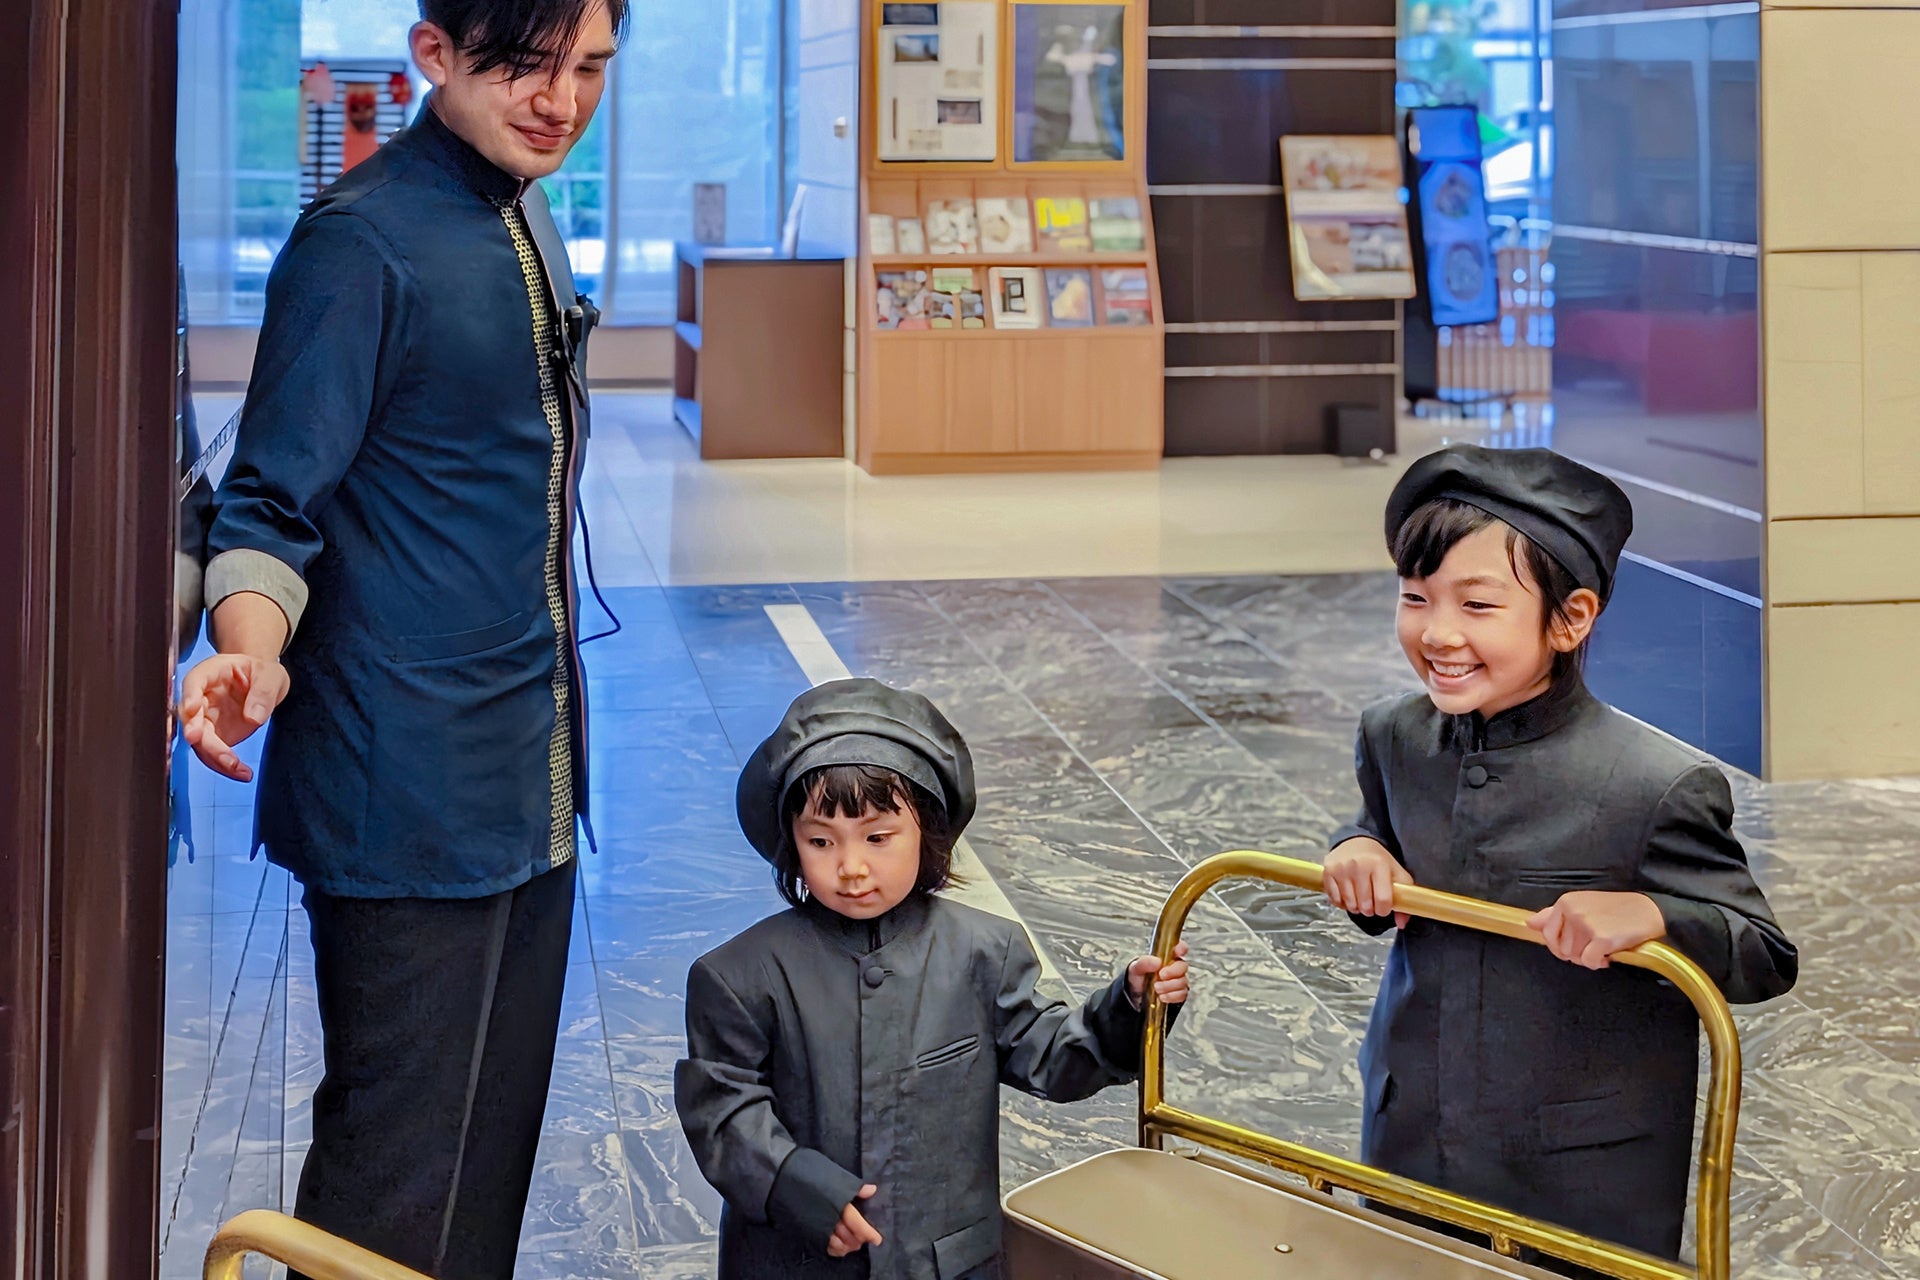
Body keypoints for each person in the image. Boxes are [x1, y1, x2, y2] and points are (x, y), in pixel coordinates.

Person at [175, 2, 626, 1273]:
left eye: (589, 67)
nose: (561, 101)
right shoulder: (359, 244)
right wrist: (251, 647)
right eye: (523, 66)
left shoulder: (523, 205)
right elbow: (268, 499)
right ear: (435, 54)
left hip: (531, 763)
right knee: (395, 1176)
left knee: (487, 1159)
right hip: (403, 784)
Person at [1321, 445, 1798, 1273]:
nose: (1438, 633)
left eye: (1478, 605)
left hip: (1580, 1168)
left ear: (1571, 618)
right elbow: (1383, 836)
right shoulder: (1392, 734)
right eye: (1415, 598)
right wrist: (1358, 849)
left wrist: (1653, 915)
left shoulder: (1657, 783)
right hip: (1413, 1125)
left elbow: (1763, 952)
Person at [675, 679, 1192, 1280]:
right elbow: (723, 1108)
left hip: (948, 1262)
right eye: (820, 840)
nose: (851, 866)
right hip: (795, 1259)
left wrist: (1129, 1006)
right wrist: (800, 1189)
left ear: (928, 831)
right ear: (790, 843)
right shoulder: (738, 976)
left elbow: (1055, 1057)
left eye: (878, 837)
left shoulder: (982, 952)